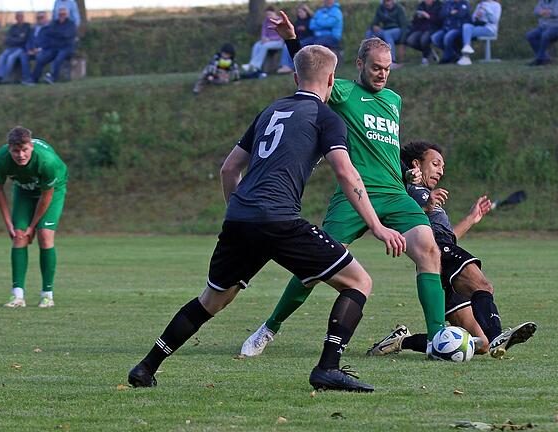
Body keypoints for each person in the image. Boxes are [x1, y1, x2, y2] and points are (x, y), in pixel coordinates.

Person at [128, 44, 406, 393]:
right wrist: (378, 226)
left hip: (240, 218)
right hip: (279, 220)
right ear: (333, 79)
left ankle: (146, 366)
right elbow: (347, 174)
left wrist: (238, 213)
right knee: (358, 282)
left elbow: (229, 168)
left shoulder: (270, 110)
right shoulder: (326, 117)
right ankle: (328, 368)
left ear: (294, 77)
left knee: (212, 300)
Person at [240, 14, 447, 361]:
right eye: (377, 67)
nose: (382, 73)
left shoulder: (394, 101)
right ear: (360, 64)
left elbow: (382, 146)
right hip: (355, 196)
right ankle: (269, 327)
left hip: (394, 194)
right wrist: (292, 39)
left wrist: (402, 171)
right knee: (313, 267)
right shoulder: (343, 92)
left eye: (387, 68)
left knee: (429, 251)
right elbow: (311, 70)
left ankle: (438, 338)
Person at [367, 141, 536, 358]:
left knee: (480, 344)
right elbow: (402, 214)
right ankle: (497, 335)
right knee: (482, 285)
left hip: (443, 254)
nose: (440, 171)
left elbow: (448, 237)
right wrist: (423, 202)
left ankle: (401, 340)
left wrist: (471, 219)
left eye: (443, 167)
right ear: (416, 164)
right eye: (436, 164)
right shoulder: (408, 190)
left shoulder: (426, 194)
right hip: (440, 253)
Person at [0, 126, 68, 308]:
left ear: (31, 147)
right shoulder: (1, 160)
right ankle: (17, 296)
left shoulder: (47, 162)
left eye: (24, 150)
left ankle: (47, 295)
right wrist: (9, 223)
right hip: (24, 190)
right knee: (19, 236)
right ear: (9, 148)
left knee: (45, 235)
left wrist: (32, 226)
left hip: (52, 191)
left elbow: (46, 196)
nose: (20, 155)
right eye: (16, 151)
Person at [32, 7, 76, 84]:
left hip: (66, 48)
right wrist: (60, 34)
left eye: (63, 14)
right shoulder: (54, 23)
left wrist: (57, 34)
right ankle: (34, 78)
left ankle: (53, 78)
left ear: (67, 15)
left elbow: (67, 35)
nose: (61, 15)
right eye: (60, 14)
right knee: (41, 59)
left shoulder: (71, 24)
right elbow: (50, 34)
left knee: (58, 59)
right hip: (54, 47)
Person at [242, 7, 285, 74]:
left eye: (270, 14)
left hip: (279, 42)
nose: (268, 16)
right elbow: (264, 32)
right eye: (267, 15)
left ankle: (257, 66)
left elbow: (281, 35)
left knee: (264, 46)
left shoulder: (280, 21)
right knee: (257, 45)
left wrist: (270, 39)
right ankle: (251, 64)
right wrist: (263, 38)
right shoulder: (266, 21)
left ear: (274, 13)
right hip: (268, 41)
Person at [457, 0, 502, 66]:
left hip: (490, 29)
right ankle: (465, 54)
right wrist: (476, 16)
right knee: (466, 26)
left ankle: (465, 57)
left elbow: (494, 20)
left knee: (467, 32)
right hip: (479, 27)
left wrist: (487, 10)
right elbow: (473, 19)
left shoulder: (496, 5)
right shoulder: (480, 5)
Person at [365, 0, 408, 66]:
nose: (388, 3)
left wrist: (402, 42)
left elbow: (404, 26)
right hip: (385, 30)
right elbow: (374, 21)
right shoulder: (381, 8)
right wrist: (374, 26)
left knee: (387, 33)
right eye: (386, 1)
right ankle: (370, 59)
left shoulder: (399, 8)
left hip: (397, 30)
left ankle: (391, 61)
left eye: (389, 1)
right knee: (369, 33)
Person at [525, 0, 558, 66]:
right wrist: (546, 11)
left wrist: (543, 12)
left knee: (545, 35)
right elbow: (536, 11)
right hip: (543, 27)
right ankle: (545, 58)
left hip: (557, 27)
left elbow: (556, 13)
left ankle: (539, 59)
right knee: (530, 35)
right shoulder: (542, 1)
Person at [276, 4, 314, 74]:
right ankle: (286, 66)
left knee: (295, 45)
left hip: (310, 39)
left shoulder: (311, 21)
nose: (300, 14)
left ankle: (290, 67)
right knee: (287, 45)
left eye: (302, 12)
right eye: (299, 12)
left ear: (306, 12)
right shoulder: (297, 22)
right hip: (299, 39)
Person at [0, 12, 32, 83]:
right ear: (16, 18)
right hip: (11, 47)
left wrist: (14, 39)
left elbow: (24, 40)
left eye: (20, 17)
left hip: (21, 48)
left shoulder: (27, 26)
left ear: (23, 18)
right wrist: (18, 38)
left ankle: (5, 78)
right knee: (2, 57)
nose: (19, 18)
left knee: (11, 58)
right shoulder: (13, 27)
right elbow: (7, 40)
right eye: (18, 17)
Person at [431, 0, 471, 64]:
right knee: (435, 38)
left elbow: (461, 14)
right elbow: (441, 15)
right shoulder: (448, 3)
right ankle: (454, 55)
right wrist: (450, 12)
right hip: (446, 28)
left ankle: (447, 58)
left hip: (458, 28)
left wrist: (449, 13)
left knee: (447, 37)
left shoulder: (464, 3)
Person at [404, 0, 443, 65]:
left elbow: (439, 20)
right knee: (410, 40)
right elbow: (414, 21)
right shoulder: (421, 5)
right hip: (420, 29)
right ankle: (429, 52)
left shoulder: (439, 5)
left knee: (424, 39)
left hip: (433, 29)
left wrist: (428, 16)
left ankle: (425, 59)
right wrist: (418, 17)